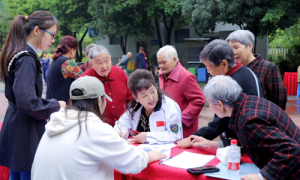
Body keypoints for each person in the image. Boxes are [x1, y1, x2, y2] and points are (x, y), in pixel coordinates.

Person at [32, 76, 166, 180]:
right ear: (100, 101)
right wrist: (149, 156)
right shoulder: (95, 128)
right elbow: (132, 162)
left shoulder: (57, 122)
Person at [191, 75, 300, 180]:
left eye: (209, 102)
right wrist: (212, 144)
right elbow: (249, 139)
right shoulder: (247, 102)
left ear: (219, 104)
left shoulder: (248, 119)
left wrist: (263, 176)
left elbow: (290, 150)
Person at [0, 11, 65, 180]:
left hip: (18, 124)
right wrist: (56, 105)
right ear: (37, 30)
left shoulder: (19, 52)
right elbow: (27, 101)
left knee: (17, 175)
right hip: (24, 129)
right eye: (52, 35)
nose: (53, 40)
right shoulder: (27, 57)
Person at [178, 39, 263, 148]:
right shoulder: (243, 71)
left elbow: (219, 122)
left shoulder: (231, 83)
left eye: (210, 67)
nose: (208, 71)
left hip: (246, 142)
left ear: (224, 64)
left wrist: (193, 138)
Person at [114, 69, 183, 144]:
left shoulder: (169, 106)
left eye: (152, 91)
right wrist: (122, 132)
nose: (151, 98)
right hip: (141, 152)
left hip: (166, 152)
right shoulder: (135, 107)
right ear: (136, 97)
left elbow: (175, 135)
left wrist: (148, 137)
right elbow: (121, 124)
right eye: (144, 96)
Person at [226, 30, 287, 110]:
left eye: (236, 47)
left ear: (250, 46)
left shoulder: (268, 68)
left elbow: (279, 100)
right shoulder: (231, 68)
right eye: (229, 49)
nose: (232, 52)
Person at [157, 45, 205, 138]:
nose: (161, 66)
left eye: (164, 62)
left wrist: (181, 119)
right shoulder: (162, 74)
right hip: (166, 124)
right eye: (159, 63)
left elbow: (199, 100)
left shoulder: (186, 77)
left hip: (183, 128)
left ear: (174, 59)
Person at [79, 45, 132, 127]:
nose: (104, 66)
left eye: (107, 61)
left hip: (124, 126)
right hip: (99, 129)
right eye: (99, 63)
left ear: (110, 59)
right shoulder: (84, 80)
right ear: (91, 64)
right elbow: (77, 109)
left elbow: (130, 98)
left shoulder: (120, 72)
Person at [46, 36, 83, 103]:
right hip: (61, 105)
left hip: (52, 102)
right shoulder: (67, 63)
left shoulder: (56, 59)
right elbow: (84, 78)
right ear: (72, 50)